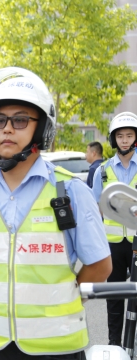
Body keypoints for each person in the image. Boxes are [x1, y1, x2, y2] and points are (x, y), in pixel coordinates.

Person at [0, 68, 112, 359]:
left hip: (56, 347)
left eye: (20, 119)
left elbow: (100, 266)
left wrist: (59, 299)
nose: (7, 128)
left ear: (41, 129)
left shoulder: (70, 191)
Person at [92, 112, 137, 346]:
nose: (125, 140)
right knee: (115, 298)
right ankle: (114, 344)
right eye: (120, 136)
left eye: (129, 135)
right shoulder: (103, 171)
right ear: (113, 139)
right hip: (113, 245)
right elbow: (94, 209)